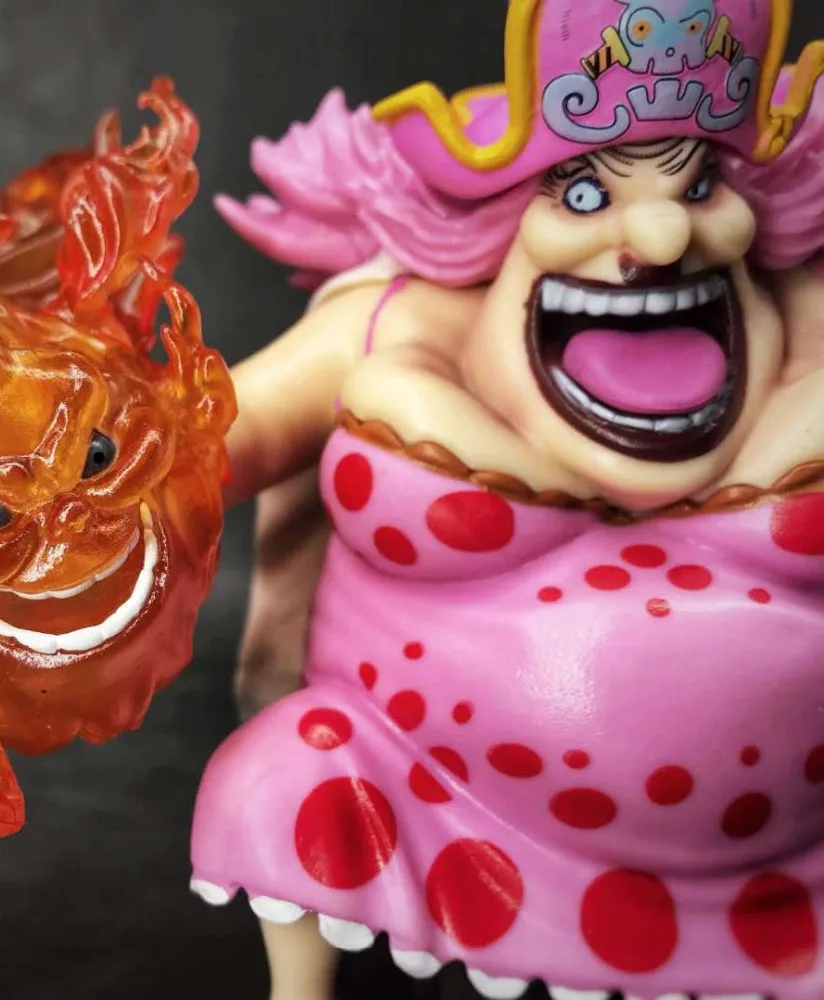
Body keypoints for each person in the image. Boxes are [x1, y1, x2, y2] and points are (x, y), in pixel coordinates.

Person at [193, 2, 824, 997]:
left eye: (698, 185)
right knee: (282, 776)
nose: (663, 235)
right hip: (424, 789)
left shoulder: (807, 315)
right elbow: (191, 451)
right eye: (587, 194)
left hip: (792, 856)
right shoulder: (395, 329)